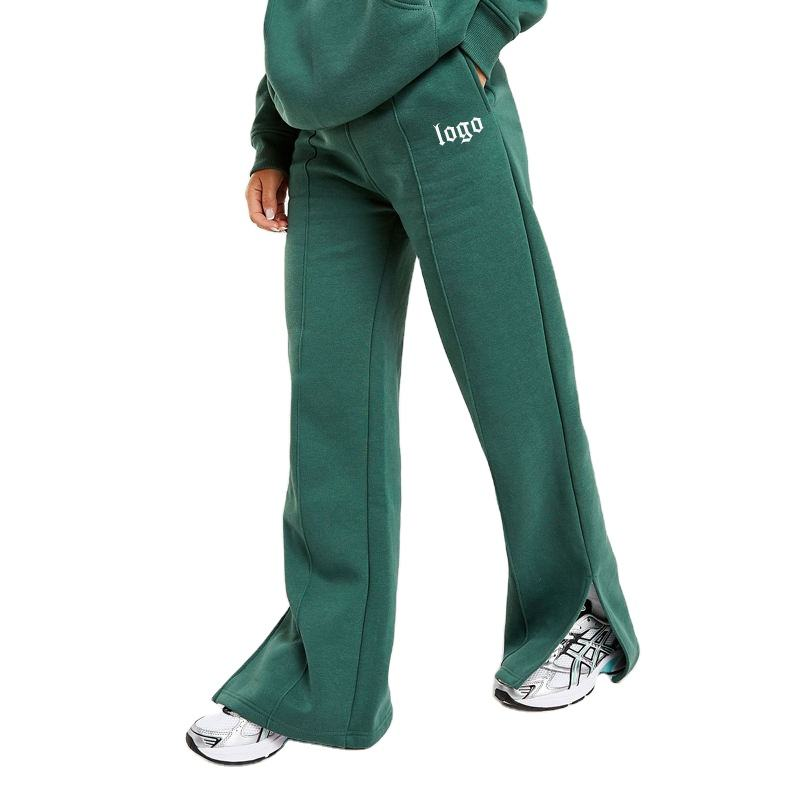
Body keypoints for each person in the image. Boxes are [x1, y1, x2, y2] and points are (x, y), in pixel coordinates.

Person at [186, 0, 639, 764]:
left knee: (513, 376)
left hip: (438, 104)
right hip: (322, 141)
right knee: (331, 415)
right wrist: (274, 133)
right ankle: (324, 683)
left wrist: (479, 39)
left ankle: (577, 613)